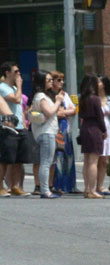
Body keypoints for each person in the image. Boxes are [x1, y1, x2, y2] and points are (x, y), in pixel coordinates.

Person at [28, 71, 65, 199]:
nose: (51, 82)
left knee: (47, 161)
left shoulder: (44, 95)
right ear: (41, 81)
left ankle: (45, 189)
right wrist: (58, 101)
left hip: (47, 132)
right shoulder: (41, 96)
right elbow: (49, 112)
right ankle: (45, 190)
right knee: (46, 162)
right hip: (46, 132)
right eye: (48, 80)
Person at [0, 63, 33, 195]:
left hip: (20, 127)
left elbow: (20, 108)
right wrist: (19, 86)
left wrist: (24, 125)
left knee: (19, 159)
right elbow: (16, 99)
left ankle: (15, 186)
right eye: (16, 71)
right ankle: (1, 186)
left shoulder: (14, 88)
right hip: (8, 128)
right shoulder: (3, 88)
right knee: (5, 159)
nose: (19, 74)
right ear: (7, 73)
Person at [76, 74, 108, 199]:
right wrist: (104, 131)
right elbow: (100, 117)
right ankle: (92, 189)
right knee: (94, 161)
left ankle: (86, 188)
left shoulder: (82, 98)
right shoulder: (95, 99)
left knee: (86, 160)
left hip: (85, 128)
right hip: (94, 128)